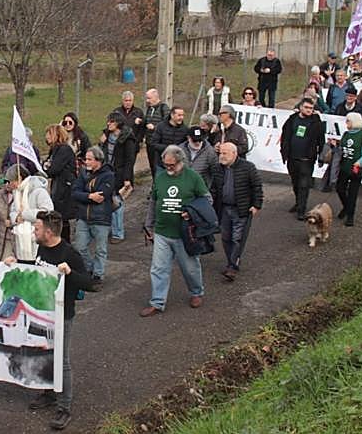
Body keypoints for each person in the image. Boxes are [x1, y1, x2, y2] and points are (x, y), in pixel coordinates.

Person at [16, 210, 93, 430]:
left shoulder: (69, 254)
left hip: (62, 315)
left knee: (61, 360)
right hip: (41, 313)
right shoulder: (42, 247)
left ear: (48, 232)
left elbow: (90, 283)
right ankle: (49, 393)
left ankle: (64, 407)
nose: (33, 231)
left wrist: (70, 274)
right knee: (44, 352)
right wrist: (16, 263)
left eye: (37, 228)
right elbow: (36, 269)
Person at [141, 145, 209, 316]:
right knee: (158, 268)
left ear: (181, 161)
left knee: (190, 267)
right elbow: (153, 202)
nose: (169, 168)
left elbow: (207, 199)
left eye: (172, 165)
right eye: (166, 165)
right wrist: (148, 225)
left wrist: (192, 213)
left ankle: (196, 292)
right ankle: (157, 301)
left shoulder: (193, 177)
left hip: (184, 233)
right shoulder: (161, 177)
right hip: (162, 232)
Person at [209, 142, 263, 281]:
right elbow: (214, 189)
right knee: (226, 238)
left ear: (234, 154)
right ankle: (232, 261)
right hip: (224, 209)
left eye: (225, 153)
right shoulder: (217, 168)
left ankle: (232, 266)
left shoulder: (248, 167)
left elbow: (256, 186)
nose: (222, 156)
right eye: (221, 153)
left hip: (241, 209)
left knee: (237, 238)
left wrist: (256, 205)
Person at [71, 146, 114, 289]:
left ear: (98, 160)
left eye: (89, 159)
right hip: (83, 217)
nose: (86, 162)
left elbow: (102, 196)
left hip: (101, 218)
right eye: (85, 159)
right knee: (80, 246)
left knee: (100, 249)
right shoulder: (83, 173)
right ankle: (90, 268)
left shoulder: (108, 175)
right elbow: (74, 192)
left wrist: (84, 195)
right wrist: (89, 196)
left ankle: (98, 275)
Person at [280, 96, 326, 218]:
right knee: (295, 183)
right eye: (306, 107)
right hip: (292, 157)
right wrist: (284, 152)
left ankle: (301, 209)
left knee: (304, 185)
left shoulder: (316, 122)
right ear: (300, 107)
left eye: (311, 108)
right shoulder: (292, 119)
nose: (308, 110)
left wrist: (321, 155)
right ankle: (298, 202)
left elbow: (321, 140)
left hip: (307, 159)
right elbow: (285, 136)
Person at [7, 165, 54, 261]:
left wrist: (24, 215)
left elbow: (47, 211)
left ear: (19, 178)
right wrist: (16, 218)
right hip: (20, 236)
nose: (9, 184)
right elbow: (13, 210)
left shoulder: (39, 191)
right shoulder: (17, 192)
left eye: (11, 181)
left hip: (35, 236)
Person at [103, 113, 137, 243]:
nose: (108, 124)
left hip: (121, 174)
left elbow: (130, 160)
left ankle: (118, 233)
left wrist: (127, 178)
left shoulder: (128, 138)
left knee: (117, 203)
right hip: (108, 173)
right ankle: (112, 229)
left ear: (118, 123)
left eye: (111, 121)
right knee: (109, 202)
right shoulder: (107, 135)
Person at [335, 112, 362, 227]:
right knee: (340, 188)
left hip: (356, 168)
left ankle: (350, 216)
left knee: (352, 193)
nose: (346, 123)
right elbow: (342, 147)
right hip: (344, 167)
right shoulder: (346, 134)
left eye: (348, 120)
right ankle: (346, 207)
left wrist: (360, 162)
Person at [43, 123, 78, 240]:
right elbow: (46, 165)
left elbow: (53, 169)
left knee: (62, 219)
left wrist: (47, 166)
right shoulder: (54, 150)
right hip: (58, 188)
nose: (46, 136)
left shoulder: (64, 150)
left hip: (64, 191)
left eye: (48, 134)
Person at [142, 87, 168, 177]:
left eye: (149, 98)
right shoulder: (149, 109)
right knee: (152, 165)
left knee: (159, 165)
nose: (147, 100)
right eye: (147, 98)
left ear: (156, 97)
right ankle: (155, 185)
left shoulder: (164, 108)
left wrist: (155, 127)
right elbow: (146, 122)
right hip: (150, 142)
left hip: (159, 143)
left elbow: (167, 123)